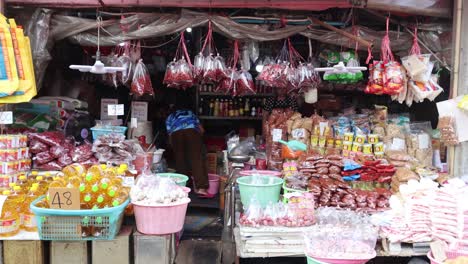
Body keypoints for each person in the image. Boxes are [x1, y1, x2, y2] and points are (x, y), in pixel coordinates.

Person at [166, 105, 212, 198]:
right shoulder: (190, 113)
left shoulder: (170, 117)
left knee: (180, 160)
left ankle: (183, 186)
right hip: (192, 132)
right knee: (197, 159)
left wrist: (174, 147)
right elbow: (202, 130)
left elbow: (169, 134)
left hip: (176, 134)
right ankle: (201, 189)